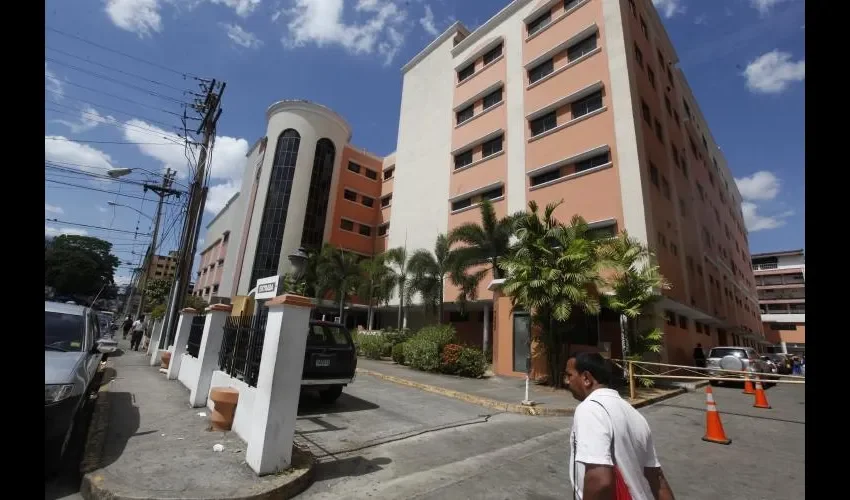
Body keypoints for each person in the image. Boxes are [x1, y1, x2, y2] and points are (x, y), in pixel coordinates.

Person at [565, 352, 676, 500]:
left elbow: (599, 480)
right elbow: (658, 480)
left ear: (586, 378)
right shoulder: (635, 415)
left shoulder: (590, 408)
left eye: (570, 375)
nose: (567, 381)